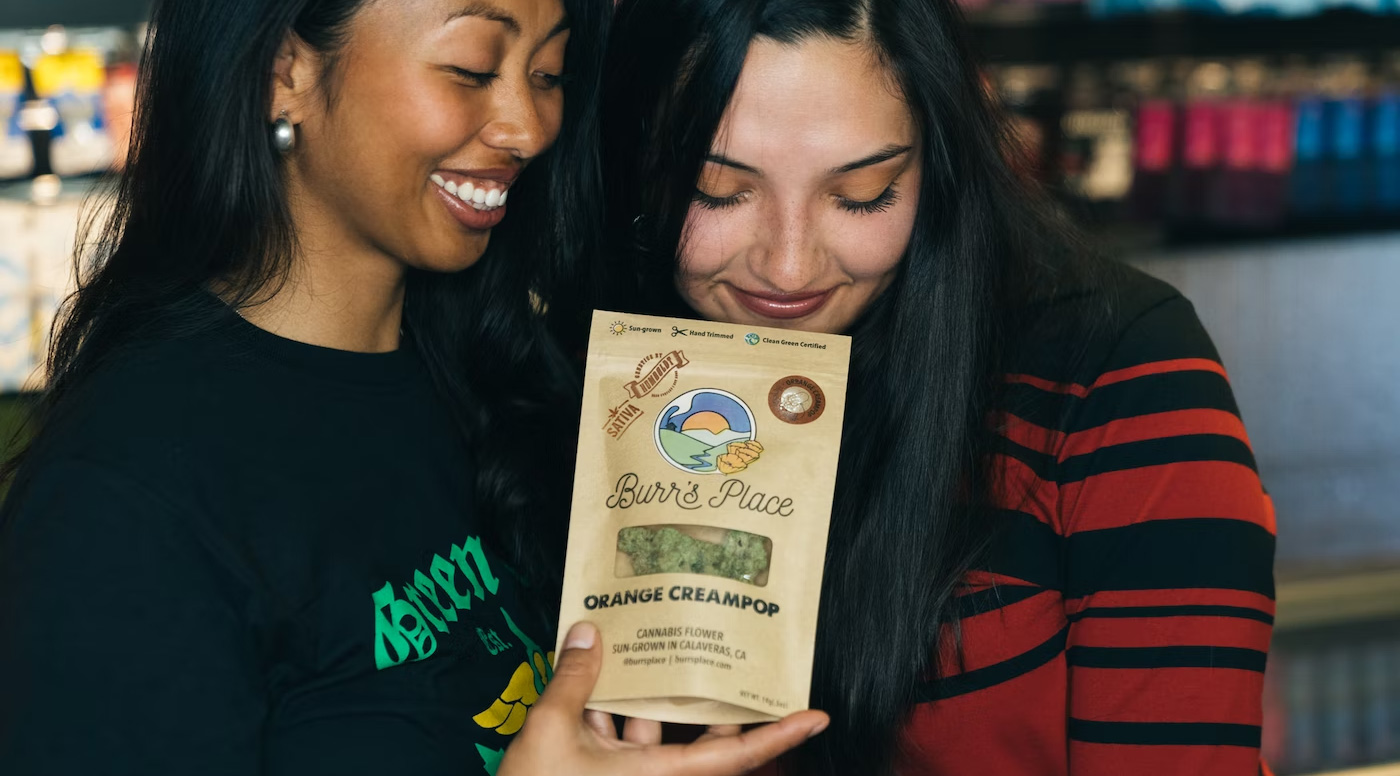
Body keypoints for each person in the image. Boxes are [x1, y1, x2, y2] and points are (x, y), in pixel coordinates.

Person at [0, 0, 826, 773]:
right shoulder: (123, 502)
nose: (528, 127)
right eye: (471, 68)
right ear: (284, 69)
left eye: (548, 75)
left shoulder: (496, 376)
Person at [590, 0, 1278, 774]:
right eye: (717, 191)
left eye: (863, 193)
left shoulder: (1114, 375)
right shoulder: (583, 361)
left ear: (937, 162)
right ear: (631, 160)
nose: (788, 266)